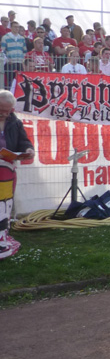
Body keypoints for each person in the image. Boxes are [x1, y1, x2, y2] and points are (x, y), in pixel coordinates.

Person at [0, 90, 34, 259]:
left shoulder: (15, 122)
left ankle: (2, 235)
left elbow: (24, 141)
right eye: (0, 110)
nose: (4, 114)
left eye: (7, 111)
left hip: (7, 169)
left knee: (5, 203)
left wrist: (28, 150)